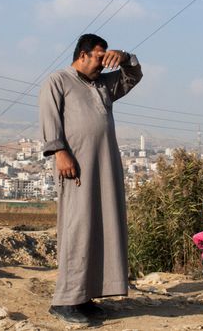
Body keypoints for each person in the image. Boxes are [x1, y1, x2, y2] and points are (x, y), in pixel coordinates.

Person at [39, 33, 143, 325]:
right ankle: (65, 300)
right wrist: (60, 152)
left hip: (105, 166)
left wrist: (123, 57)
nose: (102, 63)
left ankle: (86, 297)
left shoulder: (103, 85)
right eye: (99, 57)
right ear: (82, 55)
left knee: (101, 226)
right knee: (78, 227)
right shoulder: (58, 80)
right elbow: (49, 119)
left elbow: (133, 76)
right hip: (76, 167)